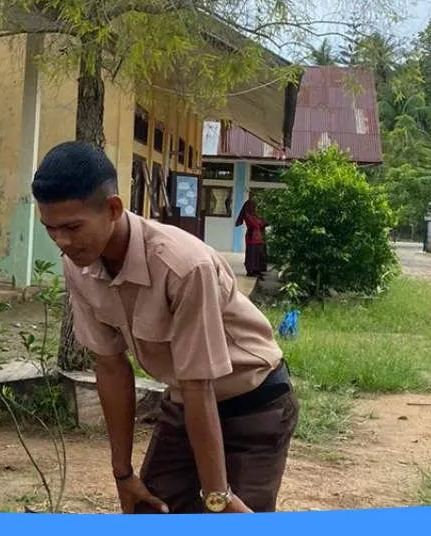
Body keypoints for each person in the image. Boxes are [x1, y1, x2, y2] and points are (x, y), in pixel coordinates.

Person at [30, 141, 297, 515]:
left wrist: (216, 495)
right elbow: (110, 366)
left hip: (252, 405)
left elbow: (198, 382)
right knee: (150, 511)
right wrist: (123, 475)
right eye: (51, 229)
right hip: (185, 403)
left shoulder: (183, 266)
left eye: (73, 227)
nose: (63, 242)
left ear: (113, 209)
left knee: (228, 518)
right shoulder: (79, 265)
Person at [235, 197, 268, 277]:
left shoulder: (257, 215)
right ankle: (251, 270)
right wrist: (261, 222)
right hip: (252, 237)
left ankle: (258, 270)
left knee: (260, 253)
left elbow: (265, 222)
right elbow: (255, 224)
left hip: (260, 236)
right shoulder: (248, 215)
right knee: (252, 254)